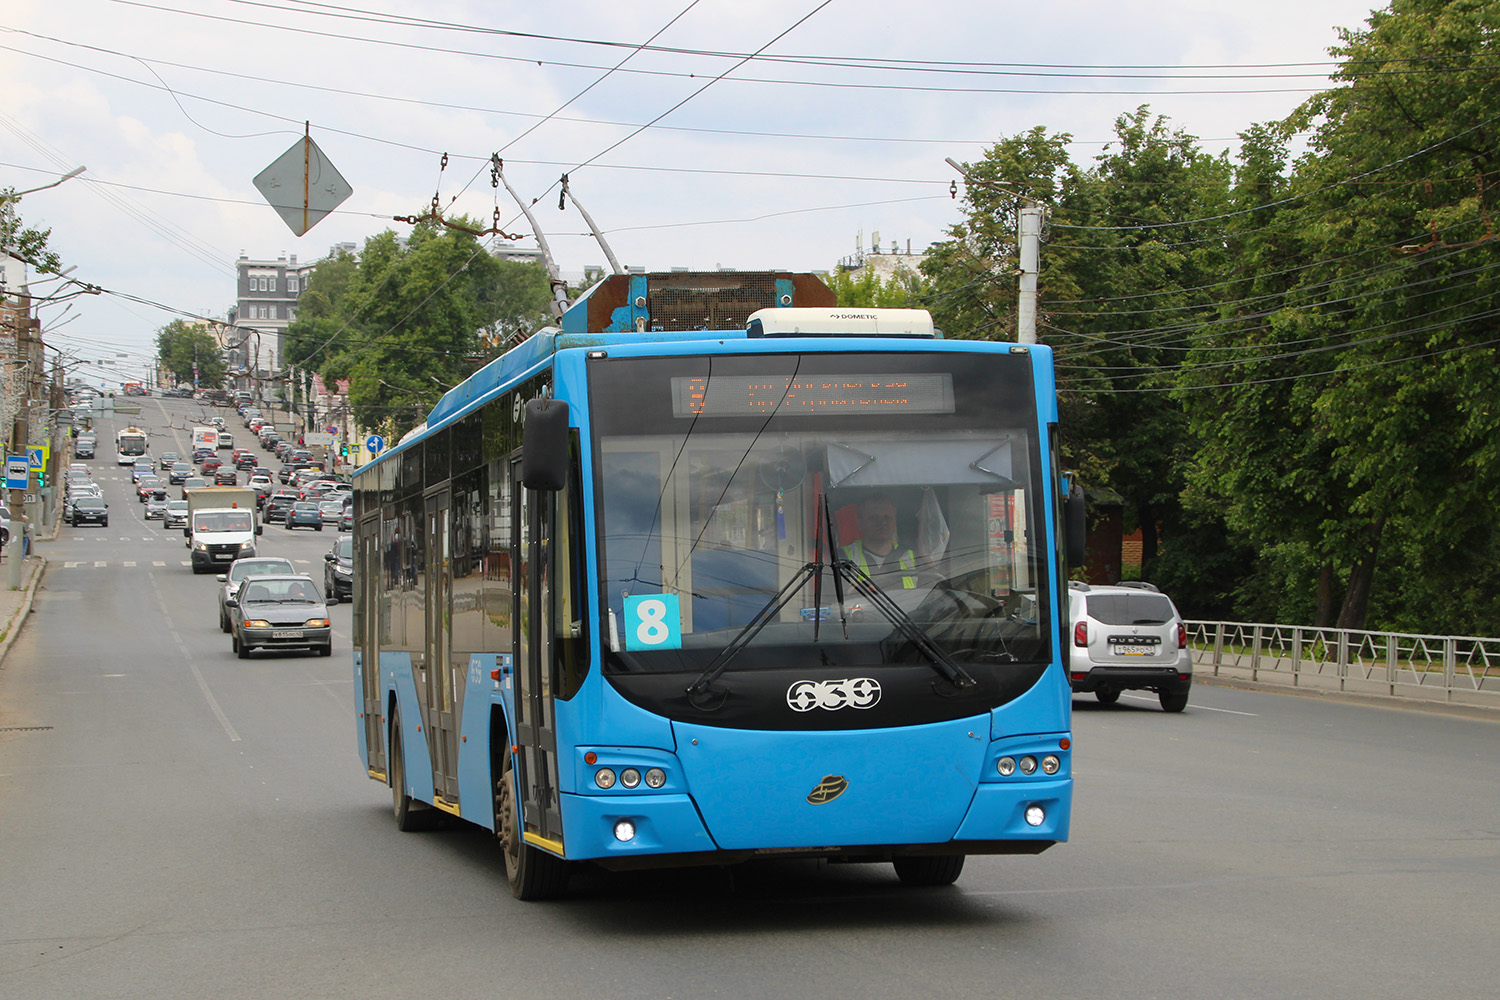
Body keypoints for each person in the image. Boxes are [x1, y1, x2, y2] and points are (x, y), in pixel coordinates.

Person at [841, 493, 918, 589]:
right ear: (860, 523)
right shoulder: (843, 558)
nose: (882, 522)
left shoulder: (911, 557)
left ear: (895, 521)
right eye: (874, 518)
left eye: (887, 517)